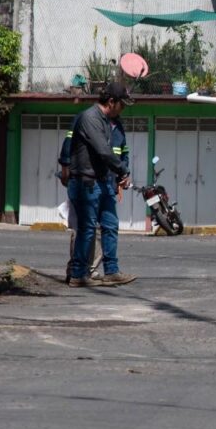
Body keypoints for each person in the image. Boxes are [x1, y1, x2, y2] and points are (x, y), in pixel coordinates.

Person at [67, 83, 137, 288]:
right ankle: (78, 274)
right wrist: (123, 171)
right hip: (85, 182)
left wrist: (118, 177)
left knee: (110, 224)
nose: (122, 109)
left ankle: (112, 271)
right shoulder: (90, 118)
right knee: (88, 228)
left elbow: (113, 152)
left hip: (103, 180)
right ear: (111, 102)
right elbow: (104, 152)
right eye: (121, 105)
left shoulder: (108, 121)